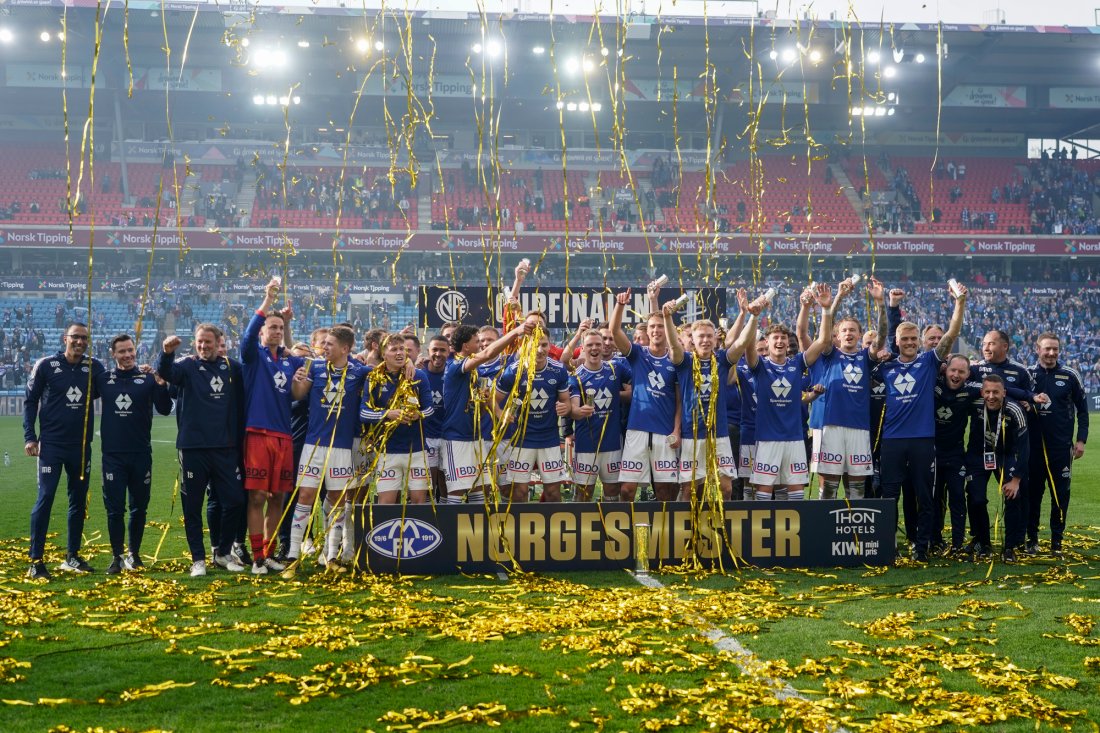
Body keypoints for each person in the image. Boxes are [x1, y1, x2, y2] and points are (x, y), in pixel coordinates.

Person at [876, 282, 966, 562]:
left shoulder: (928, 362)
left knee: (925, 497)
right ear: (898, 341)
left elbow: (952, 334)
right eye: (906, 339)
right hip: (892, 440)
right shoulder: (886, 366)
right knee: (889, 496)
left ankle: (921, 546)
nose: (911, 343)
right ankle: (887, 544)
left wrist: (959, 303)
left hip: (923, 440)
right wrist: (884, 305)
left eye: (915, 339)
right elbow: (879, 339)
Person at [158, 324, 247, 577]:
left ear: (219, 342)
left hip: (225, 448)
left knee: (235, 501)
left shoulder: (231, 367)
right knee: (193, 506)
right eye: (199, 342)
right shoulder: (186, 366)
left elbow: (252, 379)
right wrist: (166, 353)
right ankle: (198, 559)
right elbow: (166, 372)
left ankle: (222, 552)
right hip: (193, 448)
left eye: (208, 342)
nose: (203, 346)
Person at [23, 322, 106, 580]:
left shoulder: (95, 367)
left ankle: (72, 556)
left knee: (78, 501)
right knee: (45, 498)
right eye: (75, 337)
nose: (80, 342)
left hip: (81, 448)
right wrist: (30, 437)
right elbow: (30, 401)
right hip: (51, 446)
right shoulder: (46, 365)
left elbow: (115, 389)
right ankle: (36, 561)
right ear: (65, 338)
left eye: (84, 338)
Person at [286, 325, 368, 572]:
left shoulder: (360, 372)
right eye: (324, 344)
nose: (324, 348)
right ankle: (292, 556)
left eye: (330, 344)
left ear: (345, 348)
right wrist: (297, 382)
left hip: (342, 449)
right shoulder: (314, 367)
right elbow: (298, 395)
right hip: (314, 445)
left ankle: (331, 557)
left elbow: (386, 370)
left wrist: (407, 364)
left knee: (337, 500)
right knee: (305, 496)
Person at [744, 286, 833, 501]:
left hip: (794, 438)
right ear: (767, 342)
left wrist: (826, 309)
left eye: (783, 338)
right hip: (767, 439)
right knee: (764, 491)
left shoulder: (796, 363)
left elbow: (822, 341)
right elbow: (748, 348)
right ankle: (764, 534)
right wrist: (754, 317)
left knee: (796, 492)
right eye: (775, 338)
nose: (780, 341)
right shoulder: (760, 365)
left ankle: (797, 534)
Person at [240, 278, 305, 574]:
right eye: (272, 328)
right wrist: (268, 299)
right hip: (257, 434)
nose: (276, 332)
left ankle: (267, 554)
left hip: (284, 436)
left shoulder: (289, 362)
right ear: (264, 331)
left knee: (278, 496)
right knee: (256, 496)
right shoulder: (253, 356)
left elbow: (297, 391)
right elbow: (248, 335)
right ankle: (256, 558)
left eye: (280, 328)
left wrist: (288, 329)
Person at [95, 334, 173, 574]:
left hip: (141, 454)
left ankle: (134, 554)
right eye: (122, 352)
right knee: (115, 509)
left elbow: (165, 408)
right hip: (112, 456)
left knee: (139, 507)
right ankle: (117, 556)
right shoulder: (103, 379)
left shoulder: (147, 378)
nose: (127, 355)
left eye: (130, 350)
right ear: (113, 354)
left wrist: (160, 383)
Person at [808, 278, 887, 501]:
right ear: (838, 335)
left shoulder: (865, 357)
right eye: (844, 330)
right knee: (829, 488)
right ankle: (826, 528)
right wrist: (836, 299)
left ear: (860, 335)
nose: (849, 333)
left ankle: (854, 533)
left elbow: (881, 336)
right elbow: (826, 329)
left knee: (857, 489)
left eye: (853, 330)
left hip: (859, 428)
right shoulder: (830, 353)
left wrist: (880, 303)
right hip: (832, 425)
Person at [665, 305, 751, 501]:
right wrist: (667, 318)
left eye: (709, 336)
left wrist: (752, 316)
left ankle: (723, 528)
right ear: (693, 341)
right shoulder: (684, 361)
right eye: (701, 336)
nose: (705, 340)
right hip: (691, 437)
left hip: (719, 435)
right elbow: (672, 345)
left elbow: (742, 342)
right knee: (690, 490)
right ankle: (689, 530)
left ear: (715, 339)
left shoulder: (722, 359)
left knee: (726, 488)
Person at [441, 321, 531, 504]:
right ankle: (450, 532)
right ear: (466, 346)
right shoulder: (455, 366)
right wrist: (516, 332)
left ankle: (479, 533)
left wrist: (499, 413)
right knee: (457, 492)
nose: (480, 345)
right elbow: (489, 353)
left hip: (476, 438)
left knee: (480, 492)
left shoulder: (473, 372)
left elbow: (487, 396)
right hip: (456, 439)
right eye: (477, 341)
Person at [609, 287, 679, 501]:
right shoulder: (638, 354)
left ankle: (663, 533)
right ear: (647, 331)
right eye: (652, 327)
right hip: (637, 430)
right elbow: (614, 332)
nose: (656, 330)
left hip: (665, 432)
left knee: (664, 492)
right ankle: (626, 531)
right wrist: (620, 306)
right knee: (627, 490)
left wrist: (677, 429)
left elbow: (679, 400)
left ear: (667, 330)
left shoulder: (677, 359)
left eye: (660, 326)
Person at [1027, 333, 1088, 557]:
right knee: (1033, 495)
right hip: (1033, 449)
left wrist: (1081, 440)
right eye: (1047, 349)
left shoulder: (1070, 375)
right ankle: (1031, 540)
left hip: (1061, 449)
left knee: (1060, 495)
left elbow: (1083, 411)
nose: (1051, 353)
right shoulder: (1028, 374)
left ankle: (1056, 542)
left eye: (1055, 349)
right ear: (1038, 349)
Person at [495, 330, 572, 502]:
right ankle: (519, 528)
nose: (539, 350)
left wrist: (564, 407)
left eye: (544, 345)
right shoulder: (514, 370)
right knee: (520, 493)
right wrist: (501, 414)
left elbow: (566, 402)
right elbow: (494, 399)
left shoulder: (558, 370)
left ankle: (554, 528)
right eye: (535, 344)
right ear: (526, 345)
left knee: (553, 493)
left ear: (550, 345)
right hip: (522, 441)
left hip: (549, 439)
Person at [361, 334, 435, 505]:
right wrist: (387, 414)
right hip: (388, 452)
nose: (400, 353)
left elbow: (430, 409)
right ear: (383, 353)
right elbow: (363, 413)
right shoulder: (374, 378)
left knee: (419, 502)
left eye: (402, 349)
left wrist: (419, 415)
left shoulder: (419, 376)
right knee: (386, 503)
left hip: (416, 450)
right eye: (394, 349)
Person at [963, 374, 1029, 563]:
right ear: (982, 392)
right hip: (977, 456)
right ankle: (983, 543)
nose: (991, 396)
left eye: (996, 392)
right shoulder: (975, 403)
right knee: (976, 499)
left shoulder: (1014, 409)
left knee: (1013, 497)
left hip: (1005, 456)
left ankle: (1009, 547)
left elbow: (1025, 448)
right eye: (988, 392)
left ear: (1004, 393)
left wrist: (1016, 479)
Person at [569, 329, 632, 501]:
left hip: (612, 443)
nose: (594, 348)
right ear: (583, 347)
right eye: (590, 345)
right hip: (586, 445)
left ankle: (609, 527)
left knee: (612, 492)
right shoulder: (576, 376)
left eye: (598, 344)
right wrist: (579, 412)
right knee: (583, 493)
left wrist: (615, 395)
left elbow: (634, 391)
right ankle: (581, 528)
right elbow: (573, 409)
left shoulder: (616, 368)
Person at [932, 354, 982, 555]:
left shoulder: (970, 391)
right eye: (953, 370)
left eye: (961, 372)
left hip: (955, 455)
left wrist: (1028, 398)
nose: (956, 375)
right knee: (933, 499)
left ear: (968, 374)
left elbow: (997, 389)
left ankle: (957, 544)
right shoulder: (933, 384)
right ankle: (934, 541)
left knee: (958, 498)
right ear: (945, 370)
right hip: (932, 453)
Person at [423, 335, 449, 499]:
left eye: (442, 350)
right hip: (427, 437)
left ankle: (446, 520)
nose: (438, 354)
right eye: (435, 350)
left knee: (447, 482)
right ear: (428, 352)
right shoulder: (418, 374)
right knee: (428, 484)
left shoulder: (453, 372)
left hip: (449, 436)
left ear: (449, 352)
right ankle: (429, 519)